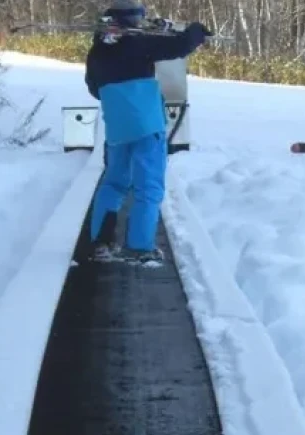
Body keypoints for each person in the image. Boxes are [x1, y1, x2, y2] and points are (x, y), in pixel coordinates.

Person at [84, 0, 211, 263]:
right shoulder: (139, 43)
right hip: (147, 126)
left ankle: (102, 242)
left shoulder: (97, 50)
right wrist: (196, 32)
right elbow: (179, 46)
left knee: (114, 183)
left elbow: (94, 88)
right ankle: (139, 246)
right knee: (148, 186)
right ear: (131, 18)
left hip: (117, 129)